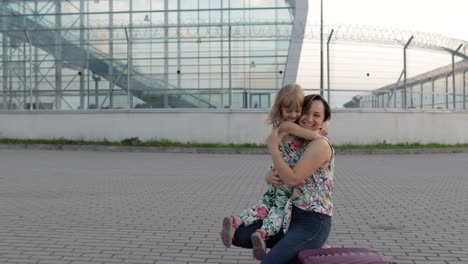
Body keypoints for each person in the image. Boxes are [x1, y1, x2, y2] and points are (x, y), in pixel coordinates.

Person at [220, 85, 329, 261]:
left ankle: (239, 221)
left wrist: (324, 122)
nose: (295, 115)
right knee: (275, 211)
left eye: (297, 110)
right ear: (280, 109)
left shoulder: (286, 128)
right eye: (290, 111)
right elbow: (313, 135)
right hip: (286, 191)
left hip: (308, 214)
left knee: (264, 205)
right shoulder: (289, 127)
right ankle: (262, 233)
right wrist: (321, 128)